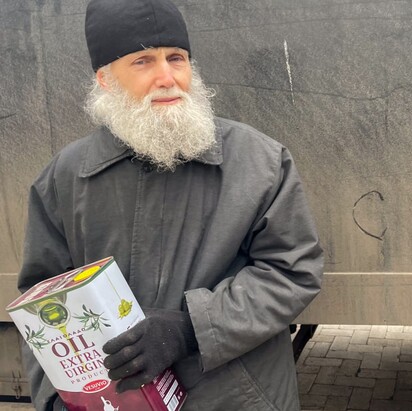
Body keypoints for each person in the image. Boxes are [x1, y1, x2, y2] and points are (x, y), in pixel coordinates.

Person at [16, 0, 324, 410]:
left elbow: (292, 270)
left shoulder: (260, 161)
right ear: (106, 79)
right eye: (143, 61)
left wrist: (191, 329)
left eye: (176, 58)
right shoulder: (64, 178)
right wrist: (56, 399)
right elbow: (43, 305)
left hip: (237, 399)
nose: (167, 77)